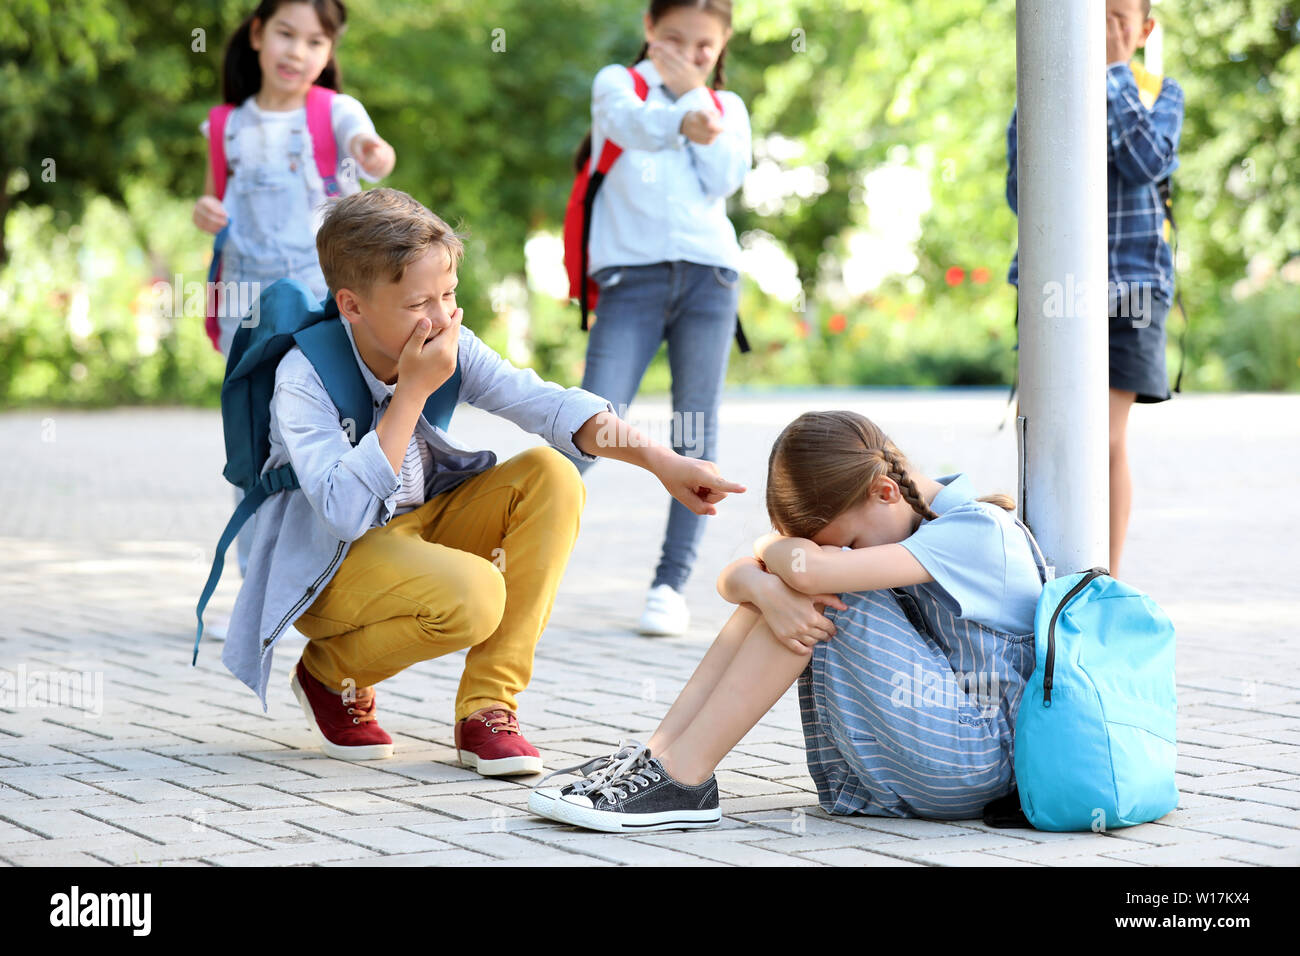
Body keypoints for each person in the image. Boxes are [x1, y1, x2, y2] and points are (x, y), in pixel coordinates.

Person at [220, 188, 747, 777]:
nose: (442, 318)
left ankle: (488, 707)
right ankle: (329, 674)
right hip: (332, 564)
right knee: (474, 594)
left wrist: (663, 463)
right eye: (420, 302)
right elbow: (343, 512)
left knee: (553, 473)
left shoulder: (449, 341)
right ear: (352, 305)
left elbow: (546, 404)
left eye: (449, 295)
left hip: (415, 528)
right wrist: (413, 391)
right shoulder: (304, 377)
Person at [529, 411, 1045, 831]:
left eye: (850, 542)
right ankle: (658, 759)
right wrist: (762, 583)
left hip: (980, 759)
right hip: (933, 755)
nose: (847, 552)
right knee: (788, 590)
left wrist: (777, 564)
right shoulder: (902, 519)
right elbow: (735, 580)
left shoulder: (978, 531)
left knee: (815, 590)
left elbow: (811, 569)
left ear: (885, 491)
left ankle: (681, 778)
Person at [565, 0, 753, 636]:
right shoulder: (617, 84)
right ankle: (515, 554)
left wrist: (699, 100)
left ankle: (670, 585)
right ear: (649, 30)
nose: (687, 54)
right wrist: (683, 104)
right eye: (673, 39)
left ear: (722, 44)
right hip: (631, 279)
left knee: (696, 427)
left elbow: (725, 175)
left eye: (704, 46)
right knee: (594, 415)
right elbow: (633, 127)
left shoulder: (728, 109)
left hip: (710, 278)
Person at [193, 0, 396, 580]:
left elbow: (370, 149)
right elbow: (214, 203)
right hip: (246, 305)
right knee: (252, 435)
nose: (297, 52)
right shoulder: (223, 124)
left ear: (329, 52)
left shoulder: (335, 112)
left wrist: (372, 153)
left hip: (319, 303)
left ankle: (329, 569)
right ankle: (258, 578)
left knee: (315, 428)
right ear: (258, 34)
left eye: (315, 42)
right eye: (286, 34)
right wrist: (204, 211)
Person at [1006, 0, 1184, 577]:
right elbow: (1020, 192)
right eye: (1096, 14)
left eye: (1119, 17)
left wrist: (1111, 71)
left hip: (1131, 283)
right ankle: (1048, 571)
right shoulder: (1043, 86)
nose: (1106, 27)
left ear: (1144, 29)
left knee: (1103, 435)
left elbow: (1144, 162)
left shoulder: (1161, 92)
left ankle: (1102, 579)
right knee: (1051, 433)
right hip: (1054, 286)